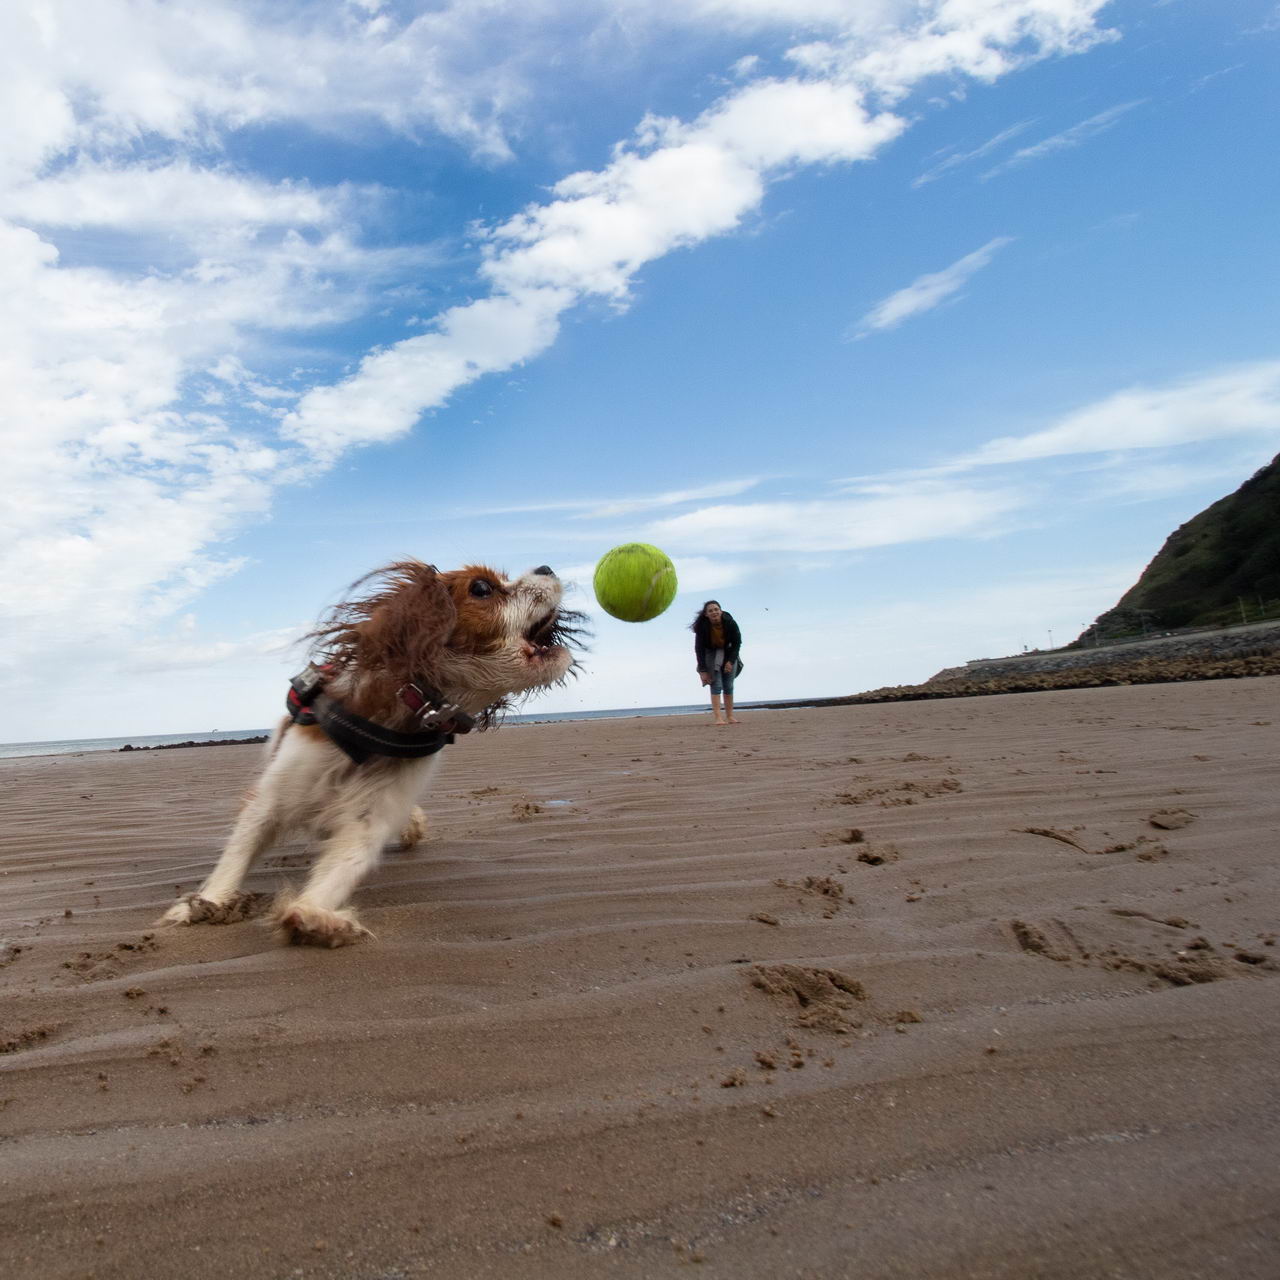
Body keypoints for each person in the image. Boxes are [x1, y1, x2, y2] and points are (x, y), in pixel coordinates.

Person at [691, 600, 742, 725]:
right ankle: (718, 717)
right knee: (716, 685)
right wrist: (703, 670)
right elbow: (699, 650)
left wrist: (730, 661)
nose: (714, 612)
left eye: (716, 609)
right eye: (710, 611)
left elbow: (737, 643)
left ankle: (730, 716)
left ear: (721, 611)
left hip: (729, 651)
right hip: (711, 654)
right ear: (706, 614)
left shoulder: (730, 622)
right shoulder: (702, 627)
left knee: (729, 685)